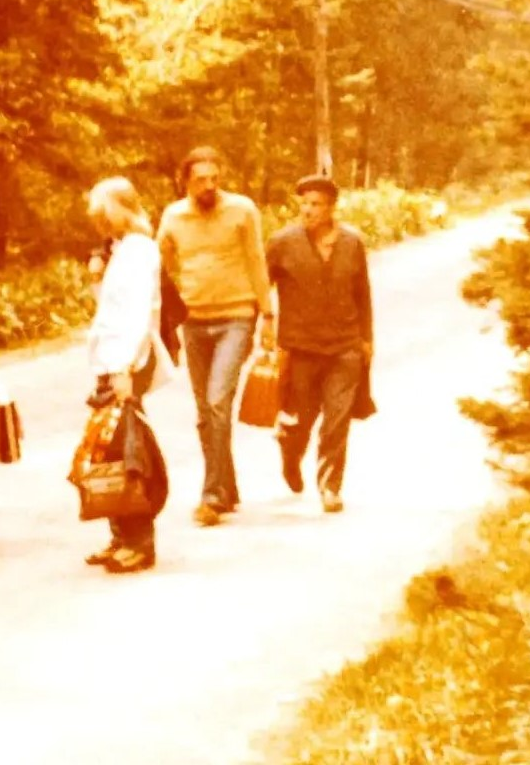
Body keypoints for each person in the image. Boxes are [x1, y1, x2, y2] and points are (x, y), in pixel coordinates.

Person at [155, 146, 274, 527]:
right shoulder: (173, 216)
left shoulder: (241, 210)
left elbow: (256, 260)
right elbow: (159, 264)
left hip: (236, 317)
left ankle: (213, 496)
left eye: (214, 178)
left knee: (218, 401)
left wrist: (268, 314)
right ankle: (229, 486)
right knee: (205, 413)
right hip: (194, 321)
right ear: (185, 181)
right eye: (200, 179)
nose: (209, 186)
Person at [264, 174, 373, 514]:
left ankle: (330, 486)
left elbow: (363, 295)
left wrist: (366, 340)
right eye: (304, 203)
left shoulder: (352, 243)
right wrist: (263, 325)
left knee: (337, 419)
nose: (308, 210)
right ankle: (290, 451)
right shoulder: (283, 242)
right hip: (300, 346)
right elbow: (261, 285)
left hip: (344, 345)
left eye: (316, 204)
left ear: (331, 208)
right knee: (300, 419)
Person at [82, 177, 172, 574]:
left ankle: (140, 541)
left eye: (105, 213)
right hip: (112, 357)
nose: (101, 223)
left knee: (128, 452)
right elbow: (110, 308)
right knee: (108, 449)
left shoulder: (140, 251)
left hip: (128, 359)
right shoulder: (120, 250)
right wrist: (98, 279)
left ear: (124, 207)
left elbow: (138, 314)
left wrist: (122, 368)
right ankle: (120, 534)